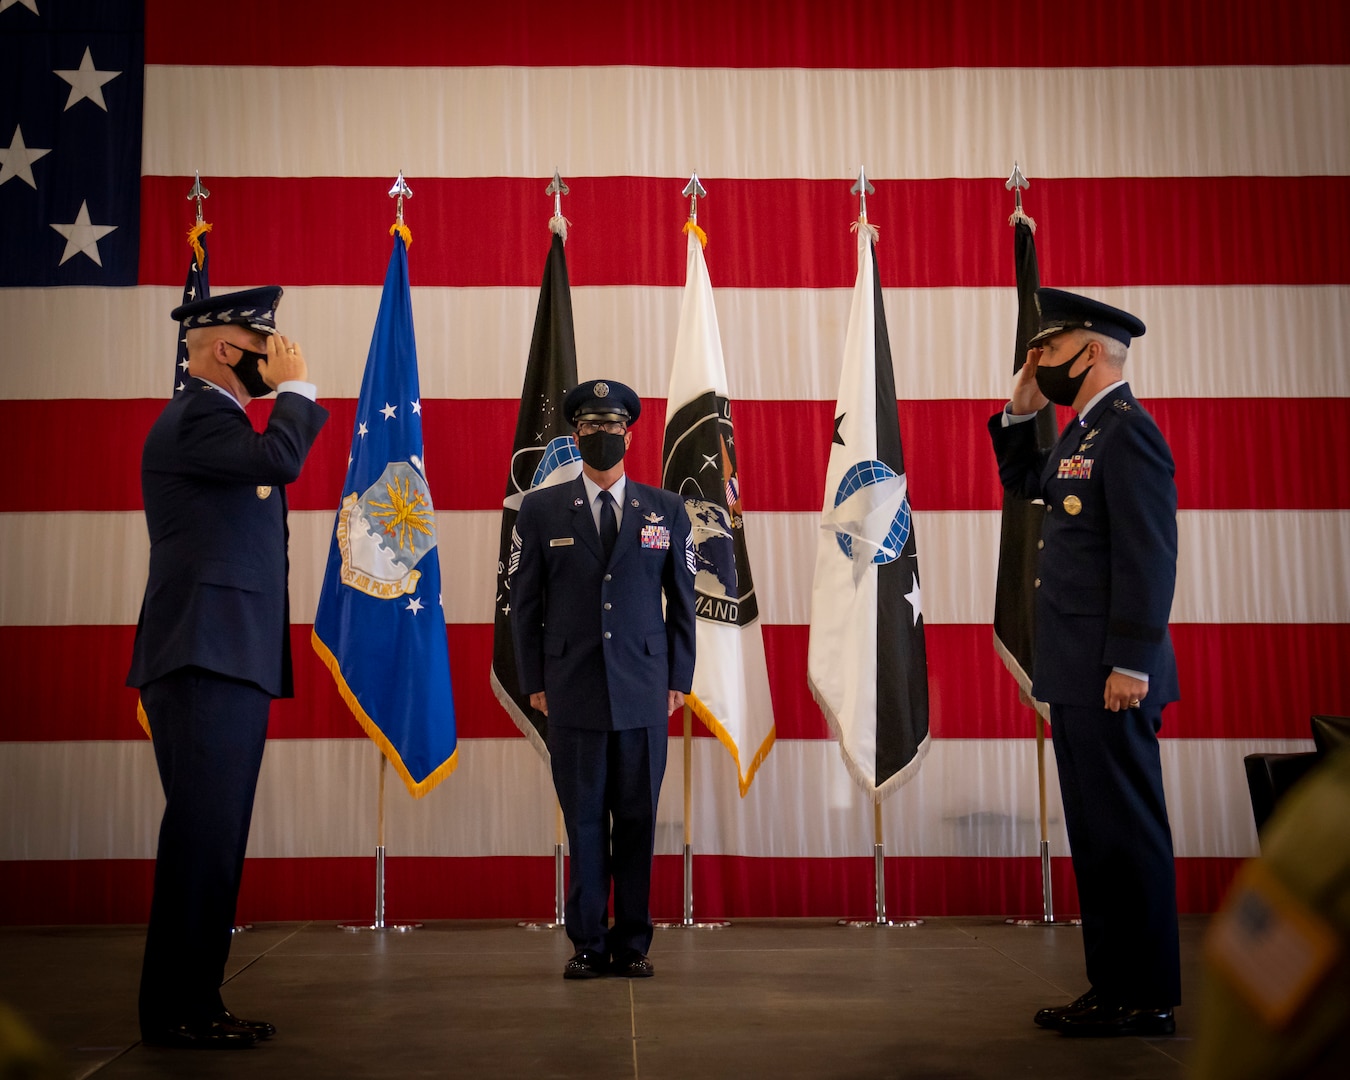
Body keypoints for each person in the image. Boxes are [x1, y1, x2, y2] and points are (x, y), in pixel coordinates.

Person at [127, 286, 328, 1049]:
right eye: (264, 344)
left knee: (214, 840)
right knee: (203, 840)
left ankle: (194, 1002)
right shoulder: (198, 418)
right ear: (224, 349)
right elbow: (282, 458)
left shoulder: (218, 421)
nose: (275, 357)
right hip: (205, 655)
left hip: (225, 654)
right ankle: (178, 1008)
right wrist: (301, 388)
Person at [987, 287, 1182, 1037]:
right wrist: (1018, 408)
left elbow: (1147, 557)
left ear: (1089, 350)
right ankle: (1114, 986)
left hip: (1113, 676)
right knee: (1098, 838)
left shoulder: (1128, 433)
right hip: (1075, 671)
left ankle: (1148, 993)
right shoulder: (1081, 434)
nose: (1037, 360)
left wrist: (1130, 663)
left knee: (1127, 834)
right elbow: (1026, 484)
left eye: (1047, 349)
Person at [510, 379, 696, 979]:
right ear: (576, 435)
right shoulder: (539, 509)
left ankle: (633, 942)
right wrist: (533, 678)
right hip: (572, 687)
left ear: (629, 434)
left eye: (612, 427)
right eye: (590, 428)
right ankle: (588, 943)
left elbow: (683, 601)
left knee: (638, 821)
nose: (602, 436)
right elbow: (524, 604)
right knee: (585, 819)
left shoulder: (665, 509)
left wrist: (680, 677)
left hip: (645, 687)